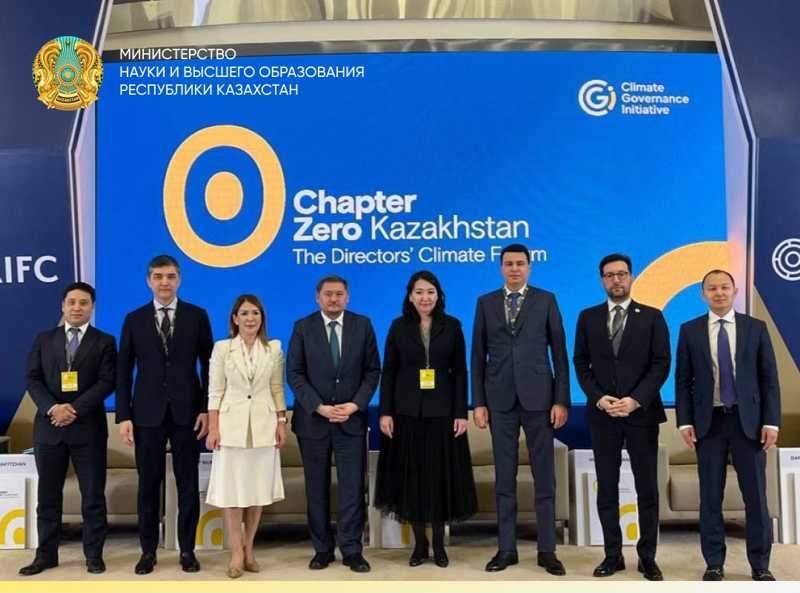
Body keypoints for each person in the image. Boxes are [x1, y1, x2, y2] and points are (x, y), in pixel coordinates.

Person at [675, 269, 780, 582]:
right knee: (710, 497)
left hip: (749, 424)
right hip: (709, 424)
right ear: (702, 294)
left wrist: (771, 421)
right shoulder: (690, 330)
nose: (718, 293)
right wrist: (684, 421)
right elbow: (683, 380)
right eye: (712, 288)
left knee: (756, 497)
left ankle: (760, 564)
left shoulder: (755, 328)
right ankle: (714, 563)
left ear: (735, 291)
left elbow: (769, 379)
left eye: (724, 287)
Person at [471, 243, 570, 575]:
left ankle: (547, 551)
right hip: (499, 400)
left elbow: (559, 353)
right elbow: (477, 356)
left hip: (540, 399)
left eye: (520, 263)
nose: (514, 268)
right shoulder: (485, 302)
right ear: (501, 268)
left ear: (529, 267)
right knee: (505, 479)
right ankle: (506, 549)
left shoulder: (546, 300)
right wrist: (478, 402)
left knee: (544, 477)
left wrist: (560, 399)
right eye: (509, 263)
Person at [573, 253, 670, 581]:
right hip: (603, 415)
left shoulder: (653, 317)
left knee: (647, 489)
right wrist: (599, 398)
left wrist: (635, 400)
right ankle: (612, 555)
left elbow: (661, 363)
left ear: (631, 277)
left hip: (641, 415)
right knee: (607, 489)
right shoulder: (587, 317)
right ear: (602, 280)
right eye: (610, 275)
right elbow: (580, 362)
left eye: (622, 274)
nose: (616, 280)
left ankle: (647, 557)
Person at [116, 255, 213, 574]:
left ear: (179, 279)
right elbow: (123, 370)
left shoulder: (197, 316)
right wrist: (124, 415)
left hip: (188, 414)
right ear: (149, 281)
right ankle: (148, 552)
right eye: (158, 276)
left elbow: (210, 367)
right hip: (146, 414)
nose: (164, 282)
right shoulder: (134, 319)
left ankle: (187, 550)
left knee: (188, 485)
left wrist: (206, 409)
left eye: (170, 276)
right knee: (148, 486)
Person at [375, 270, 478, 568]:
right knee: (412, 480)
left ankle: (439, 546)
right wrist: (385, 411)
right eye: (419, 292)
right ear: (410, 296)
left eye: (430, 292)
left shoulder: (453, 326)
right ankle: (419, 545)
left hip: (443, 414)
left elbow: (460, 372)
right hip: (406, 414)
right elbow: (389, 371)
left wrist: (461, 412)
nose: (425, 297)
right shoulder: (398, 327)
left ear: (438, 296)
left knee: (438, 480)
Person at [20, 282, 116, 576]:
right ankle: (45, 556)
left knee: (93, 497)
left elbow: (106, 382)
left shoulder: (105, 341)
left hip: (87, 429)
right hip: (49, 428)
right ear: (62, 305)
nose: (77, 308)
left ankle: (94, 556)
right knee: (48, 497)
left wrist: (72, 409)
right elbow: (33, 378)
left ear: (92, 307)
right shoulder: (43, 339)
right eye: (71, 302)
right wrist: (53, 408)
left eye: (83, 303)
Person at [287, 275, 380, 573]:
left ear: (347, 297)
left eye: (339, 294)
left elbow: (372, 371)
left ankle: (352, 550)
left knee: (352, 488)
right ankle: (322, 549)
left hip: (351, 420)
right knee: (316, 488)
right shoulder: (303, 327)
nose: (333, 299)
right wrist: (319, 407)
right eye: (328, 294)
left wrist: (354, 405)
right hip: (313, 421)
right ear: (318, 297)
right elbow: (294, 374)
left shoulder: (362, 325)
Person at [205, 294, 287, 578]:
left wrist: (281, 421)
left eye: (255, 313)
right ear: (235, 318)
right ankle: (236, 552)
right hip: (231, 428)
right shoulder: (223, 348)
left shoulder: (274, 348)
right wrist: (214, 427)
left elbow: (277, 388)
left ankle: (249, 547)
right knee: (233, 493)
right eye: (244, 313)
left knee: (256, 492)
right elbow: (215, 390)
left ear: (262, 318)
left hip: (264, 426)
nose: (250, 318)